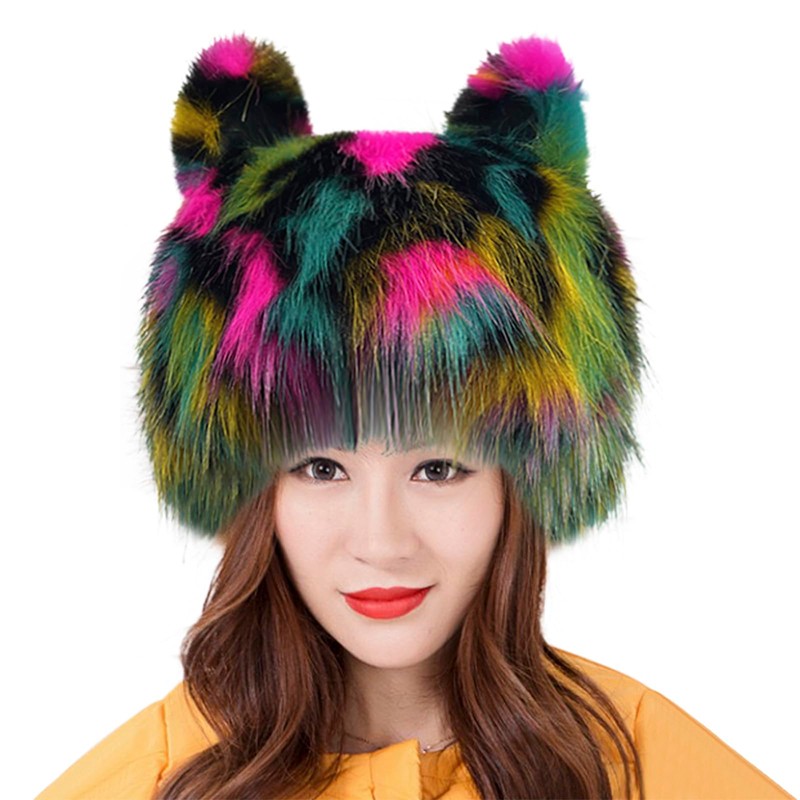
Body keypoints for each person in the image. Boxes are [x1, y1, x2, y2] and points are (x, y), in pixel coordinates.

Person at [36, 33, 792, 800]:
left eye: (438, 467)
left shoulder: (639, 765)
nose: (381, 543)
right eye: (321, 467)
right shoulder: (152, 780)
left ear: (523, 479)